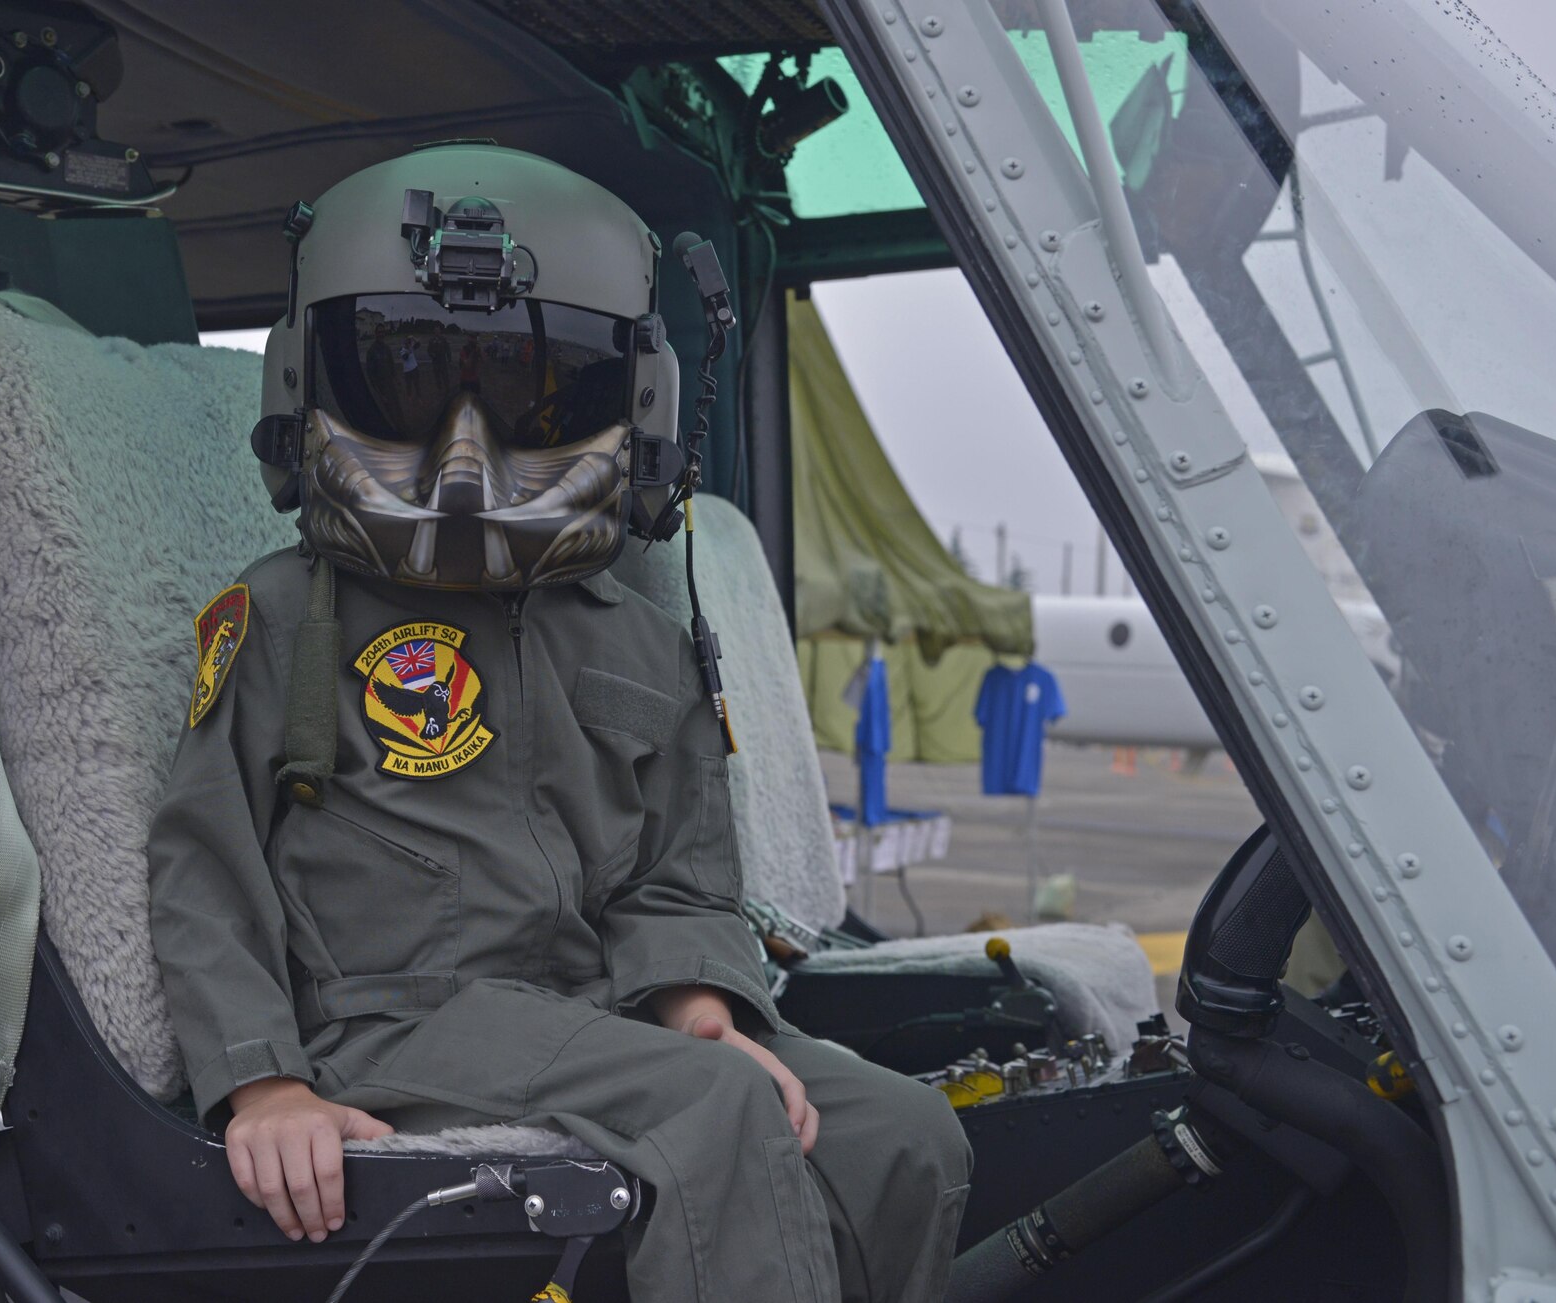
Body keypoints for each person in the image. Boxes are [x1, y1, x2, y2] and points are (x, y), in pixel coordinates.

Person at [148, 142, 969, 1302]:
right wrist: (260, 1082)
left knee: (901, 1131)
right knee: (715, 1105)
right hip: (383, 1027)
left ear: (633, 403)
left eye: (533, 386)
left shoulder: (638, 630)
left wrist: (695, 1004)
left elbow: (677, 876)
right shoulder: (281, 616)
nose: (464, 451)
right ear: (303, 380)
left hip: (592, 1016)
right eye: (412, 378)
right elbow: (204, 865)